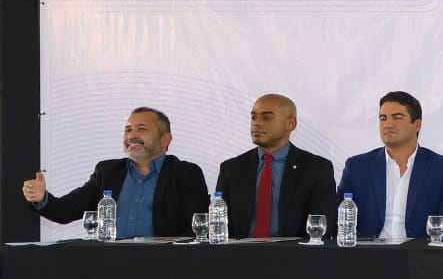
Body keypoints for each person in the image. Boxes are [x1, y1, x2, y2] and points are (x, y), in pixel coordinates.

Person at [21, 107, 208, 237]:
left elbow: (196, 230)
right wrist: (41, 198)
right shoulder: (107, 172)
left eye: (141, 129)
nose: (132, 135)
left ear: (165, 139)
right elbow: (68, 210)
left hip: (165, 265)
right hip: (111, 263)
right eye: (127, 130)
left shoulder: (186, 174)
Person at [336, 91, 443, 240]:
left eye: (397, 117)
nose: (388, 124)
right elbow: (339, 222)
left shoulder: (442, 168)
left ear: (417, 125)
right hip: (369, 251)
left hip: (420, 251)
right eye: (383, 118)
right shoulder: (357, 167)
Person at [216, 93, 338, 238]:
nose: (256, 123)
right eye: (254, 117)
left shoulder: (316, 169)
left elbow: (321, 230)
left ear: (291, 124)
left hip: (294, 251)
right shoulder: (232, 169)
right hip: (239, 250)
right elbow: (219, 226)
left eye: (267, 118)